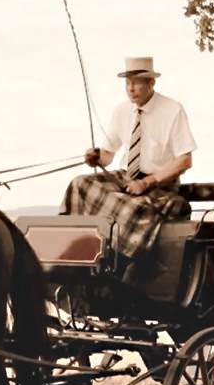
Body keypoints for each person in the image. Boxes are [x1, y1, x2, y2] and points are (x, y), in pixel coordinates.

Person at [60, 57, 197, 259]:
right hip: (126, 179)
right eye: (127, 83)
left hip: (160, 185)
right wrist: (96, 156)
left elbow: (185, 160)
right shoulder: (121, 111)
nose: (130, 88)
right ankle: (77, 249)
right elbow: (107, 156)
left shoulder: (172, 110)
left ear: (151, 82)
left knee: (133, 209)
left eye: (137, 82)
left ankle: (121, 262)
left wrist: (148, 182)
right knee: (78, 184)